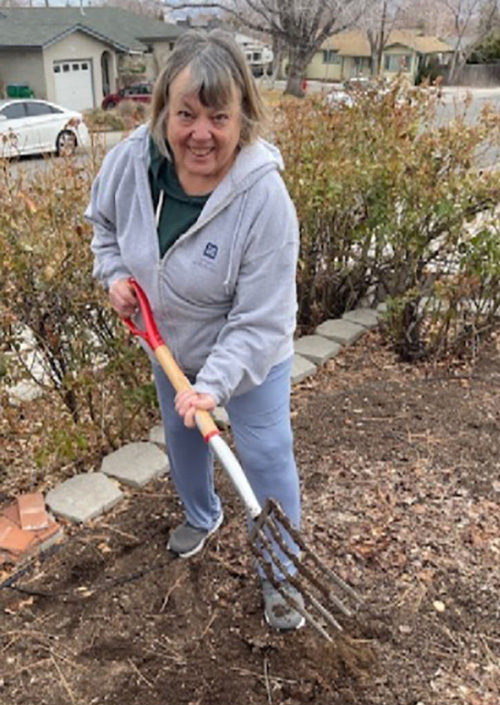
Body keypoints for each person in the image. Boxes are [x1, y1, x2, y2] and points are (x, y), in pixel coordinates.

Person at [86, 29, 303, 631]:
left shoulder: (265, 200)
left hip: (251, 354)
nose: (200, 133)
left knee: (264, 451)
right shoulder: (130, 162)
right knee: (183, 438)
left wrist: (216, 385)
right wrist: (113, 276)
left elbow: (260, 319)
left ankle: (281, 573)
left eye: (218, 116)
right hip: (169, 346)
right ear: (163, 112)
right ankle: (202, 516)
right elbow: (105, 229)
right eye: (185, 114)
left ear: (243, 119)